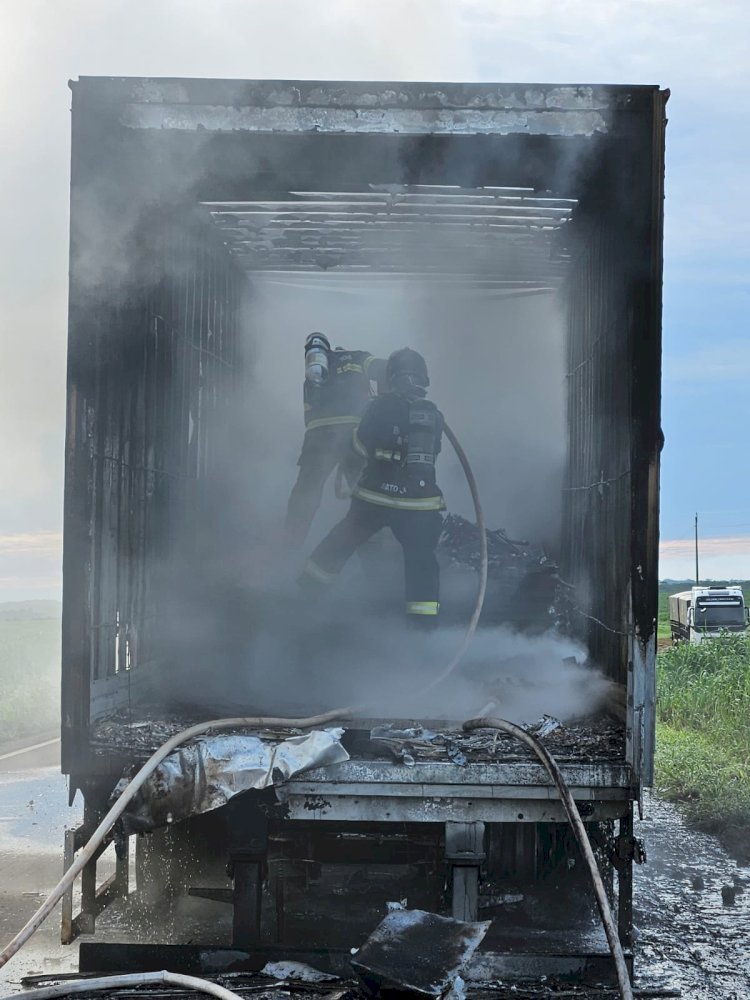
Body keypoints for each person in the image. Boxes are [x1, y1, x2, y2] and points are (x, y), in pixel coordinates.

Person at [299, 348, 445, 626]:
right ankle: (423, 626)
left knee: (340, 542)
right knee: (422, 562)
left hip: (375, 497)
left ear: (391, 377)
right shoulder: (432, 414)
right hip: (420, 504)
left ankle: (306, 593)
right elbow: (433, 451)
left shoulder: (380, 407)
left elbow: (360, 445)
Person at [285, 333, 386, 546]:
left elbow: (309, 417)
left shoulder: (312, 378)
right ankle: (376, 549)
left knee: (305, 494)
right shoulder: (358, 357)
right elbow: (384, 369)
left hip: (317, 439)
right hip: (355, 437)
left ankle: (289, 545)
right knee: (366, 494)